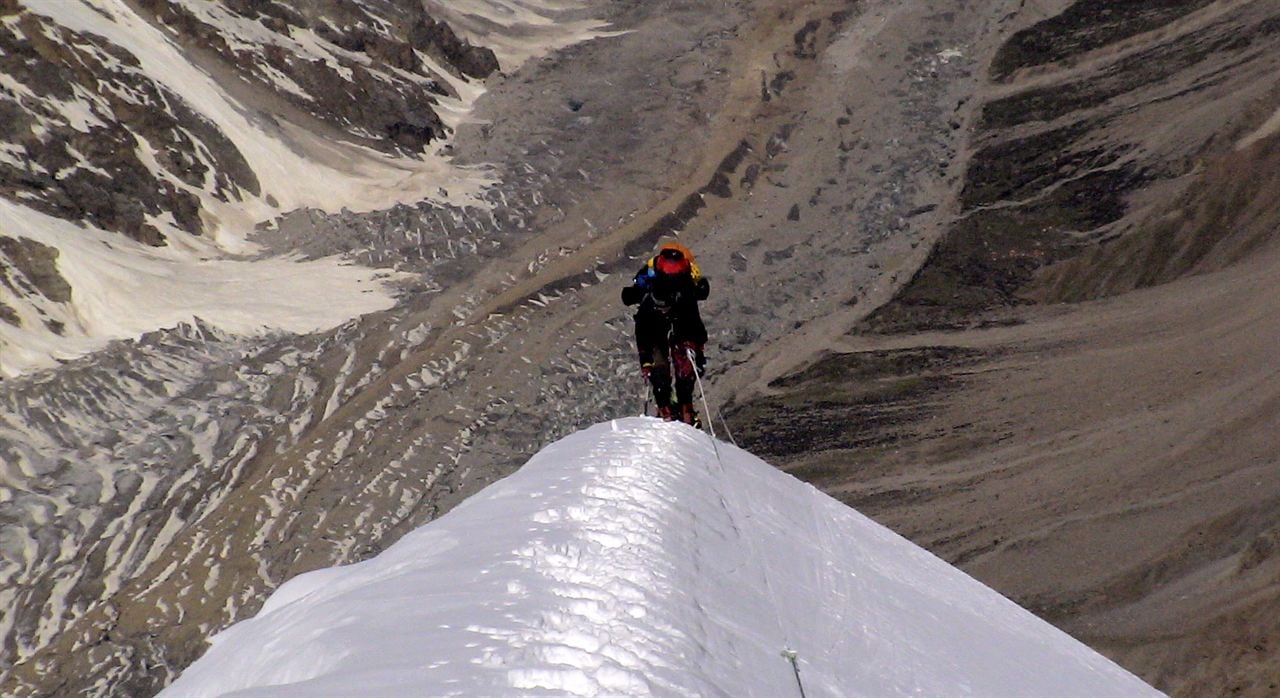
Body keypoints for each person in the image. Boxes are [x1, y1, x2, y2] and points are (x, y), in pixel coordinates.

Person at [621, 242, 710, 424]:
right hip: (677, 329)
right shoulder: (687, 294)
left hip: (659, 330)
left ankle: (666, 412)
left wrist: (646, 362)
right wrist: (698, 354)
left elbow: (644, 338)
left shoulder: (650, 304)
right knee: (682, 368)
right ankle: (685, 412)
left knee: (660, 369)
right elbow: (696, 330)